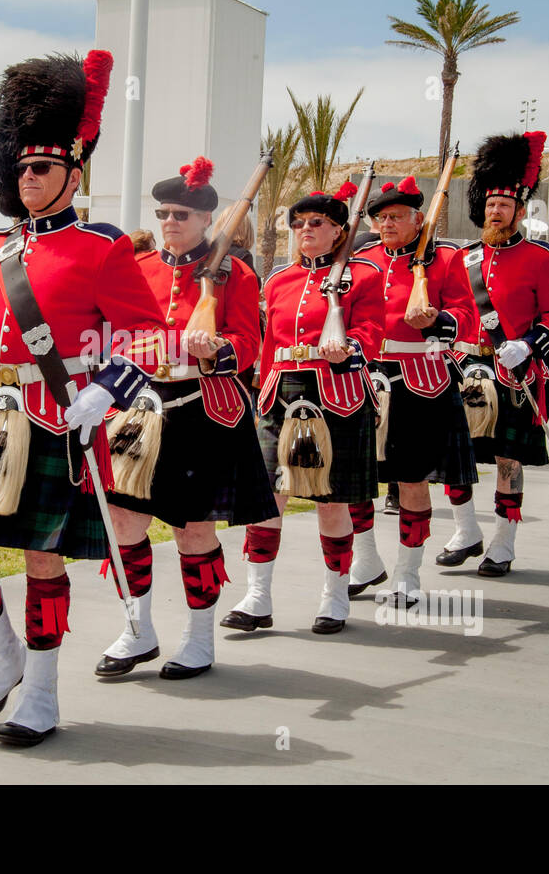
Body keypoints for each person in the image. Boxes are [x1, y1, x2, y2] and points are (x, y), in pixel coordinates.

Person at [0, 49, 165, 747]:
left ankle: (46, 697)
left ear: (71, 173)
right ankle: (5, 657)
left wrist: (104, 391)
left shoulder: (103, 248)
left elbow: (150, 338)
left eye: (42, 168)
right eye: (20, 168)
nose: (27, 179)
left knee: (40, 558)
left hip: (56, 417)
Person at [96, 157, 274, 678]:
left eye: (180, 213)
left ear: (206, 219)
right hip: (140, 410)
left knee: (193, 530)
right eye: (163, 212)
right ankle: (137, 630)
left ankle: (198, 639)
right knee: (125, 522)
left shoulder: (234, 272)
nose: (169, 221)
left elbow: (248, 346)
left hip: (203, 411)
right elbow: (117, 333)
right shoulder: (142, 268)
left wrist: (212, 349)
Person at [222, 181, 385, 635]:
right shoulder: (278, 279)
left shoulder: (363, 276)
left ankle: (334, 597)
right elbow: (270, 342)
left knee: (330, 501)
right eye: (298, 224)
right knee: (267, 495)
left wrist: (350, 346)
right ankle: (258, 596)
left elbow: (373, 329)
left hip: (337, 390)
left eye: (316, 223)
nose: (305, 230)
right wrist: (259, 392)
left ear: (338, 231)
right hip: (282, 390)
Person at [444, 131, 549, 578]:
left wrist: (529, 343)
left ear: (520, 211)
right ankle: (464, 530)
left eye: (504, 205)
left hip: (513, 370)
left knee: (507, 460)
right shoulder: (462, 258)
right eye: (489, 205)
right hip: (463, 367)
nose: (494, 212)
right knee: (453, 453)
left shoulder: (539, 258)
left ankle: (503, 543)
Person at [356, 176, 480, 605]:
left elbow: (468, 315)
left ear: (418, 219)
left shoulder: (444, 258)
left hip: (421, 378)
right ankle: (365, 560)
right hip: (367, 376)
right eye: (381, 217)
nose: (386, 223)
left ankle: (408, 573)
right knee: (358, 479)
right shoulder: (365, 258)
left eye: (396, 216)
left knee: (412, 480)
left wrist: (438, 321)